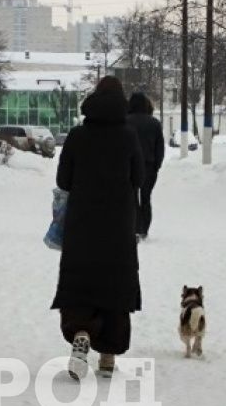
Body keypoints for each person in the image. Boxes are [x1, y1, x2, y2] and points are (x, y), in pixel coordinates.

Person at [52, 76, 145, 380]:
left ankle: (81, 332)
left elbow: (63, 179)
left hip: (82, 223)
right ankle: (108, 355)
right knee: (115, 284)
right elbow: (138, 178)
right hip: (118, 224)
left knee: (81, 281)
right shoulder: (129, 136)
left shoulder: (78, 136)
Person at [126, 92, 165, 240]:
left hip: (130, 166)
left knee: (133, 197)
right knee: (146, 197)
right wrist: (157, 165)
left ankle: (136, 226)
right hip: (149, 166)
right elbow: (160, 147)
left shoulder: (125, 121)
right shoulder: (154, 123)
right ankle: (144, 228)